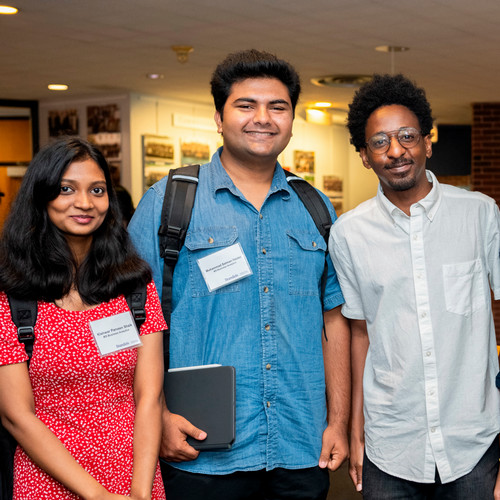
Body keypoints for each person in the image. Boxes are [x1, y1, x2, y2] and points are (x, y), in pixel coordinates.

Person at [128, 49, 350, 500]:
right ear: (218, 116)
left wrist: (339, 422)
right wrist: (156, 415)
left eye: (278, 107)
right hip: (200, 448)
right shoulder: (169, 200)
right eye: (246, 105)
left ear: (291, 119)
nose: (262, 118)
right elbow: (129, 316)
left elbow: (334, 321)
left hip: (300, 446)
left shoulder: (315, 208)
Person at [329, 73, 500, 499]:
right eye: (380, 142)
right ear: (365, 156)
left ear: (427, 141)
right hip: (391, 444)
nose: (396, 150)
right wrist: (356, 433)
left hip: (475, 442)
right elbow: (359, 333)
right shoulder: (349, 233)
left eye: (407, 136)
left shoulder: (480, 215)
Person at [0, 137, 167, 499]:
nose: (85, 203)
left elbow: (149, 396)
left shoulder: (135, 286)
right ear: (40, 197)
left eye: (97, 190)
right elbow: (16, 415)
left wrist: (140, 491)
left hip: (135, 472)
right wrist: (98, 495)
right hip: (48, 480)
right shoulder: (11, 296)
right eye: (66, 189)